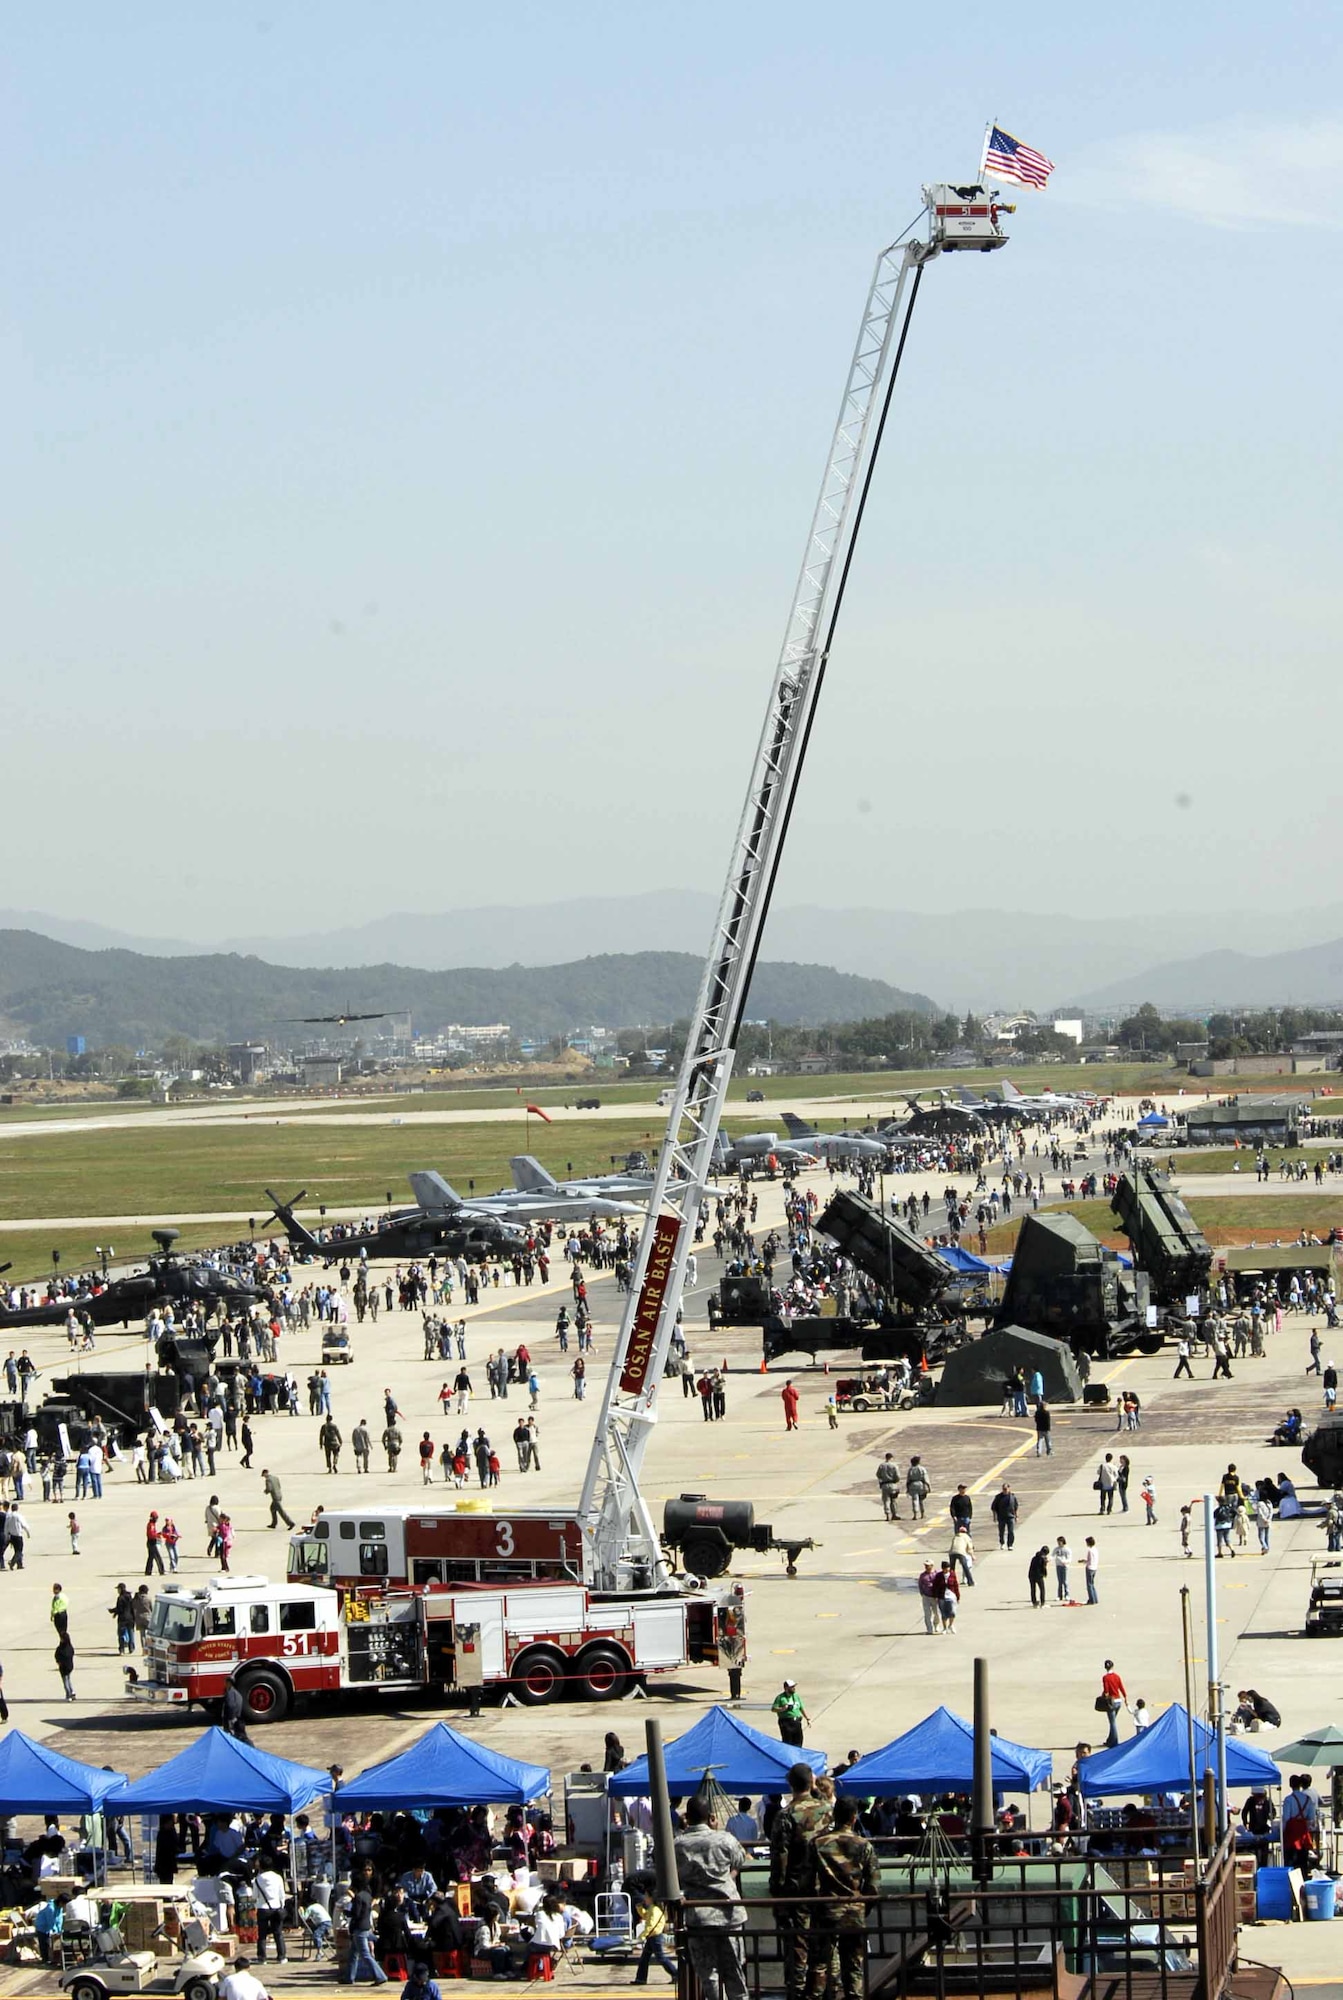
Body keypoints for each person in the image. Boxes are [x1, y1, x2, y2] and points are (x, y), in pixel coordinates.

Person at [673, 1796, 748, 2000]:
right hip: (729, 1913)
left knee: (708, 1975)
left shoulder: (678, 1844)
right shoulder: (723, 1839)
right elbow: (740, 1859)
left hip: (698, 1915)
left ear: (686, 1817)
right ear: (711, 1817)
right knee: (734, 1973)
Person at [769, 1762, 831, 2000]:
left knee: (797, 1952)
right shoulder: (827, 1809)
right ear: (812, 1783)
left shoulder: (785, 1815)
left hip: (796, 1893)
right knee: (823, 1953)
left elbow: (779, 1858)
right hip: (825, 1890)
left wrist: (778, 1893)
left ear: (790, 1784)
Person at [810, 1797, 880, 2000]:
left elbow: (808, 1879)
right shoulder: (864, 1845)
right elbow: (874, 1885)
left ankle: (827, 1994)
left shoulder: (819, 1843)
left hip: (826, 1910)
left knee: (823, 1962)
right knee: (854, 1964)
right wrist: (863, 1905)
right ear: (854, 1817)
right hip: (854, 1911)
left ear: (834, 1816)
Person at [345, 1865, 389, 1984]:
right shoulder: (368, 1896)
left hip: (359, 1927)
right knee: (353, 1953)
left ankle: (380, 1976)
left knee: (365, 1955)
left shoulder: (358, 1897)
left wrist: (347, 1912)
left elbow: (357, 1913)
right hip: (365, 1926)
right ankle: (349, 1977)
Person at [633, 1886, 678, 1985]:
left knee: (660, 1957)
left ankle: (676, 1974)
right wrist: (639, 1908)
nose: (644, 1898)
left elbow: (651, 1925)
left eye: (646, 1896)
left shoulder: (655, 1910)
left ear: (651, 1898)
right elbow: (646, 1917)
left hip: (655, 1937)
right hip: (652, 1937)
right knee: (644, 1958)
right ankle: (640, 1979)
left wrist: (642, 1936)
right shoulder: (652, 1909)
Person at [253, 1861, 289, 1962]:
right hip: (276, 1908)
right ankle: (282, 1957)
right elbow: (282, 1894)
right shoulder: (278, 1877)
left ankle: (262, 1958)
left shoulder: (258, 1879)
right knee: (278, 1933)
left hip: (262, 1908)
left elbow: (254, 1896)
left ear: (261, 1867)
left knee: (262, 1935)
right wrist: (282, 1905)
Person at [772, 1678, 809, 1746]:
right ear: (786, 1688)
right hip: (786, 1722)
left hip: (796, 1722)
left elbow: (801, 1707)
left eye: (794, 1686)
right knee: (788, 1742)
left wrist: (807, 1718)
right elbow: (773, 1709)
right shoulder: (780, 1698)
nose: (794, 1688)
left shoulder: (796, 1696)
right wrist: (782, 1709)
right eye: (792, 1687)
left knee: (798, 1741)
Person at [1099, 1660, 1127, 1749]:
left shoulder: (1105, 1678)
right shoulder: (1117, 1677)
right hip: (1119, 1701)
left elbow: (1106, 1690)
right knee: (1113, 1721)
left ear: (1105, 1667)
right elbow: (1121, 1687)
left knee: (1112, 1722)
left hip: (1112, 1702)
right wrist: (1125, 1697)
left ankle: (1114, 1742)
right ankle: (1110, 1740)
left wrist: (1104, 1695)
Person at [990, 1484, 1018, 1550]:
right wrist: (995, 1517)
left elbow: (1015, 1507)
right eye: (1003, 1489)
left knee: (1011, 1531)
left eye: (1006, 1489)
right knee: (1001, 1531)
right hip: (1001, 1517)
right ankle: (1002, 1543)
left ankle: (1010, 1544)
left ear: (1009, 1488)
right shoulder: (998, 1497)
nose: (1005, 1490)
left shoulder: (1012, 1497)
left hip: (1010, 1517)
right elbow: (993, 1507)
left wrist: (1016, 1516)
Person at [876, 1454, 901, 1520]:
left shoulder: (881, 1465)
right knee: (893, 1500)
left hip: (884, 1485)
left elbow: (878, 1474)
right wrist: (895, 1480)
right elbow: (898, 1476)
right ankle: (894, 1514)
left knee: (886, 1500)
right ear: (891, 1458)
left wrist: (882, 1478)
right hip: (893, 1484)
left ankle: (887, 1515)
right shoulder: (894, 1465)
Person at [55, 1629, 76, 1701]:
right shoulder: (70, 1647)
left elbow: (58, 1655)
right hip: (70, 1666)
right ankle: (72, 1692)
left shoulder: (61, 1648)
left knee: (65, 1681)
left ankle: (68, 1694)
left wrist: (58, 1661)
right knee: (68, 1679)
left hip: (64, 1667)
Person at [1054, 1537, 1072, 1603]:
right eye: (1058, 1542)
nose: (1058, 1543)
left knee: (1065, 1581)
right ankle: (1059, 1595)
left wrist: (1065, 1561)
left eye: (1059, 1542)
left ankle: (1067, 1594)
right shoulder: (1056, 1549)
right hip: (1058, 1566)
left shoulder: (1067, 1549)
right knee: (1059, 1581)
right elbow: (1052, 1555)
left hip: (1064, 1566)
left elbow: (1069, 1559)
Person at [1083, 1537, 1100, 1605]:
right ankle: (1095, 1599)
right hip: (1094, 1568)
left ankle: (1091, 1599)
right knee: (1092, 1584)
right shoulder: (1095, 1549)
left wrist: (1085, 1562)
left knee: (1089, 1585)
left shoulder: (1090, 1550)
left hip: (1090, 1568)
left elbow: (1089, 1560)